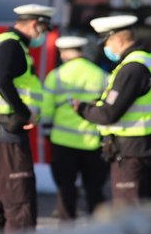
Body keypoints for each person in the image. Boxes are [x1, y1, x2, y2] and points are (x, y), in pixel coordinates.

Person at [74, 15, 151, 208]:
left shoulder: (132, 68)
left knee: (129, 210)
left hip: (131, 151)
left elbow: (109, 114)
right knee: (145, 206)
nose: (105, 48)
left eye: (106, 42)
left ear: (118, 40)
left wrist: (83, 108)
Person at [0, 4, 53, 234]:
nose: (43, 36)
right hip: (7, 133)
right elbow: (2, 81)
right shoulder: (12, 45)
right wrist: (22, 112)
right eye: (44, 29)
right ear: (34, 25)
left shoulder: (7, 43)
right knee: (19, 201)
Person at [40, 36, 108, 220]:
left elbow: (46, 110)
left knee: (66, 188)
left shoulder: (56, 75)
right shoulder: (101, 75)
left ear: (64, 53)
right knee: (95, 188)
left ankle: (67, 225)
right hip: (93, 142)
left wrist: (47, 133)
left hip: (62, 141)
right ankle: (99, 226)